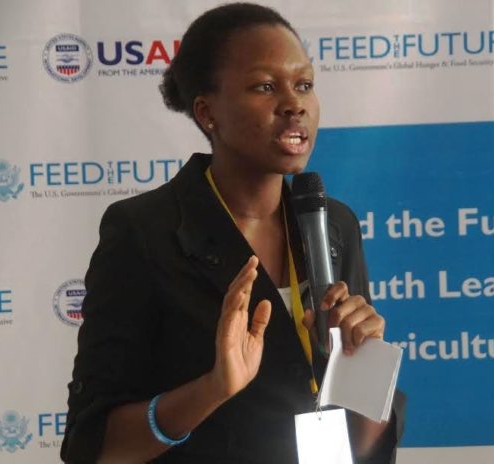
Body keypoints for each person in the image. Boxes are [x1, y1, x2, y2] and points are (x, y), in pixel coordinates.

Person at [61, 3, 405, 463]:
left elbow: (360, 448)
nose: (294, 104)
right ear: (208, 113)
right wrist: (212, 389)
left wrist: (364, 365)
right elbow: (92, 446)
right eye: (266, 86)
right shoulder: (144, 232)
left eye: (304, 85)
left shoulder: (334, 224)